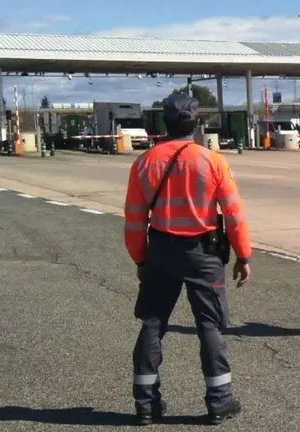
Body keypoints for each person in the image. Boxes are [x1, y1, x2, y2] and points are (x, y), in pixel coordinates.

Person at [123, 92, 252, 425]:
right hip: (204, 253)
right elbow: (234, 214)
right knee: (209, 326)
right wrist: (243, 255)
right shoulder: (212, 161)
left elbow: (135, 219)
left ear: (164, 122)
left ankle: (146, 405)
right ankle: (219, 402)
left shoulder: (144, 162)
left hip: (161, 252)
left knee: (152, 323)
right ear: (196, 122)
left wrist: (141, 259)